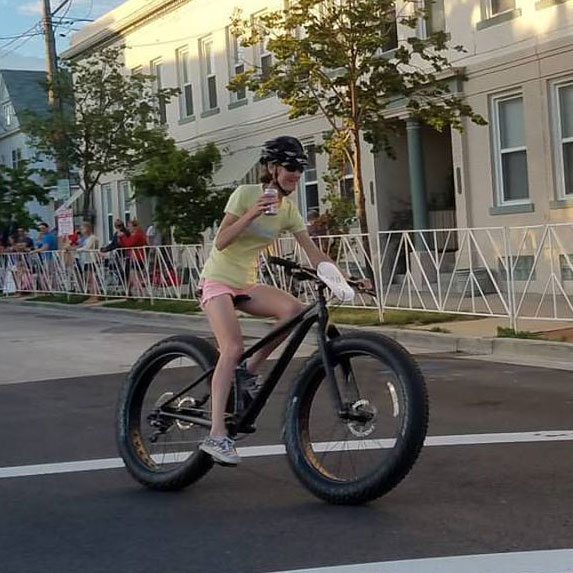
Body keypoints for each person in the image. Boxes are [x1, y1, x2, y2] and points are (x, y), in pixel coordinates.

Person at [197, 136, 370, 465]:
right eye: (290, 167)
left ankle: (248, 370)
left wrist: (346, 278)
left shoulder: (289, 209)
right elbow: (220, 242)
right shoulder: (246, 194)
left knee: (293, 310)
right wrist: (251, 213)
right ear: (272, 168)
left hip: (246, 283)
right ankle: (217, 435)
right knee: (231, 346)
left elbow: (312, 251)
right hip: (217, 280)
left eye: (300, 169)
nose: (296, 174)